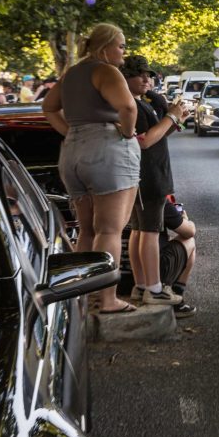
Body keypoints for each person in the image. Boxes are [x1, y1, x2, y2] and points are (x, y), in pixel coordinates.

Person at [42, 23, 140, 314]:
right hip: (105, 151)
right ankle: (107, 300)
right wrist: (127, 132)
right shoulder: (106, 71)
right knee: (109, 229)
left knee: (86, 230)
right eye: (120, 45)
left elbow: (48, 107)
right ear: (105, 47)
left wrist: (69, 132)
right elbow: (129, 108)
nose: (124, 51)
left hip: (72, 151)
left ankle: (79, 300)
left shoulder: (70, 73)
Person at [121, 56, 186, 307]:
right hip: (149, 175)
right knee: (149, 231)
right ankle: (154, 288)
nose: (146, 79)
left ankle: (140, 286)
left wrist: (175, 117)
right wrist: (171, 117)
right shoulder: (132, 106)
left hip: (146, 174)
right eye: (139, 75)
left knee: (139, 230)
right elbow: (145, 140)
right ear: (125, 78)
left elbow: (158, 135)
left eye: (148, 74)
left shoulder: (139, 102)